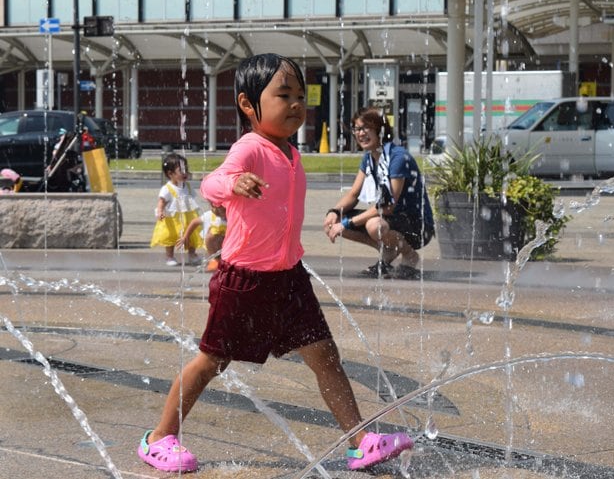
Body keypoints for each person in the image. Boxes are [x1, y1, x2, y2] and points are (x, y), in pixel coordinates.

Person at [137, 54, 413, 474]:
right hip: (244, 279)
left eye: (300, 95)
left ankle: (360, 441)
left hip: (289, 277)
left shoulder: (289, 152)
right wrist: (234, 183)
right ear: (249, 105)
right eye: (283, 95)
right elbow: (213, 181)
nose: (296, 104)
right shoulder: (251, 147)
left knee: (325, 355)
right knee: (211, 361)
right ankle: (159, 438)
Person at [323, 107, 434, 280]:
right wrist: (334, 212)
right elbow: (353, 194)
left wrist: (346, 223)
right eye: (357, 129)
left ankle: (410, 256)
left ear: (380, 130)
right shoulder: (369, 157)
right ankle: (389, 250)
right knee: (336, 221)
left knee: (375, 225)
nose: (361, 133)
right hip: (392, 221)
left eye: (366, 128)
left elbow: (388, 206)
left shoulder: (397, 157)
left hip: (417, 225)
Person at [150, 153, 203, 266]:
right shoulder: (167, 188)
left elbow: (191, 199)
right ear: (170, 174)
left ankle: (192, 254)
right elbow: (161, 201)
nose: (185, 173)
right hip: (173, 218)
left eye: (186, 169)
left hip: (188, 216)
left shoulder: (187, 186)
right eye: (181, 170)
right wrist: (160, 211)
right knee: (170, 236)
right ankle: (169, 256)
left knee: (192, 234)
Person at [176, 204, 227, 272]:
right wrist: (186, 236)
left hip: (227, 244)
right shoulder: (209, 215)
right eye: (218, 209)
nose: (222, 212)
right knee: (211, 235)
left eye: (224, 209)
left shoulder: (233, 215)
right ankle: (214, 259)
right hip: (213, 244)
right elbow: (194, 222)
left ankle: (225, 260)